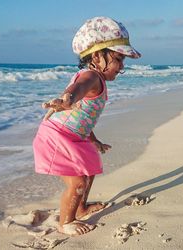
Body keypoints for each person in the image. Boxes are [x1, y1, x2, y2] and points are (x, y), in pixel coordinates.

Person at [32, 16, 141, 236]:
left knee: (89, 171)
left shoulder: (98, 79)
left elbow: (84, 118)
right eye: (118, 58)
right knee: (78, 181)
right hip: (57, 136)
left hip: (75, 135)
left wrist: (94, 140)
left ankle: (80, 208)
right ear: (97, 56)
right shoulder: (91, 77)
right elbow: (77, 88)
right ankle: (65, 222)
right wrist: (66, 100)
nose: (121, 66)